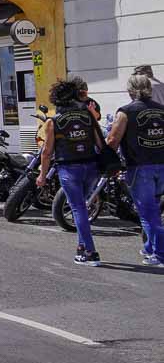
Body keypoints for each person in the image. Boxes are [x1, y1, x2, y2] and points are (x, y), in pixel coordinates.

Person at [37, 76, 107, 266]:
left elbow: (47, 152)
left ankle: (91, 253)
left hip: (69, 169)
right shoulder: (87, 116)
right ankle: (81, 248)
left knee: (78, 208)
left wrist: (42, 175)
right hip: (91, 167)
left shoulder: (53, 122)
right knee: (82, 206)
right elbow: (100, 143)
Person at [107, 73, 164, 266]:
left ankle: (160, 254)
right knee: (154, 208)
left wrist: (106, 160)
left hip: (140, 167)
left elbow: (113, 140)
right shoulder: (162, 109)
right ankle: (149, 247)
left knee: (147, 213)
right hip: (162, 166)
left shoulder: (125, 112)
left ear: (130, 90)